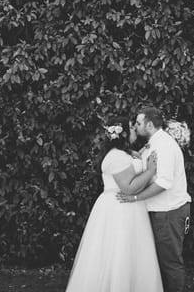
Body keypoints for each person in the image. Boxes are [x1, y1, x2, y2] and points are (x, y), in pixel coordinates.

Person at [65, 117, 163, 292]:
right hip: (119, 208)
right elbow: (129, 188)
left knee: (131, 252)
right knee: (118, 251)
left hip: (129, 208)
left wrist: (138, 155)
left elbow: (130, 171)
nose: (135, 131)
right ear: (123, 133)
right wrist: (150, 171)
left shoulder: (123, 153)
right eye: (132, 129)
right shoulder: (116, 157)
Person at [117, 107, 192, 292]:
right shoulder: (154, 143)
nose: (136, 126)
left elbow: (163, 183)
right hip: (159, 212)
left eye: (139, 123)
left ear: (149, 124)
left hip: (168, 213)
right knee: (158, 262)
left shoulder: (164, 146)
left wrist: (135, 197)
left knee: (169, 263)